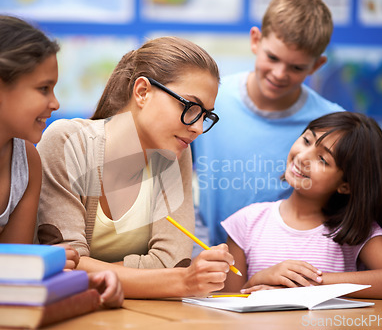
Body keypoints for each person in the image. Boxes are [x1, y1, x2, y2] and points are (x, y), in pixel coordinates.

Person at [0, 15, 124, 308]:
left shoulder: (28, 160)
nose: (55, 103)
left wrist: (79, 280)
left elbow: (10, 273)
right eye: (43, 89)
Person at [36, 36, 235, 298]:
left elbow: (172, 262)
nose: (198, 128)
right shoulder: (67, 141)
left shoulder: (175, 153)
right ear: (142, 92)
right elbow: (65, 267)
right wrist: (177, 281)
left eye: (205, 115)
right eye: (190, 107)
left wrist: (95, 271)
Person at [192, 0, 344, 247]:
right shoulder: (211, 100)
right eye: (272, 58)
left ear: (317, 65)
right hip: (212, 257)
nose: (279, 74)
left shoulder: (330, 123)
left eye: (296, 68)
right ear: (255, 40)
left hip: (285, 265)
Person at [221, 112, 382, 299]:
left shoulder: (354, 232)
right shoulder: (247, 222)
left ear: (346, 185)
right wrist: (259, 280)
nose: (303, 157)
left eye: (323, 159)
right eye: (306, 140)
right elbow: (229, 307)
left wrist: (307, 284)